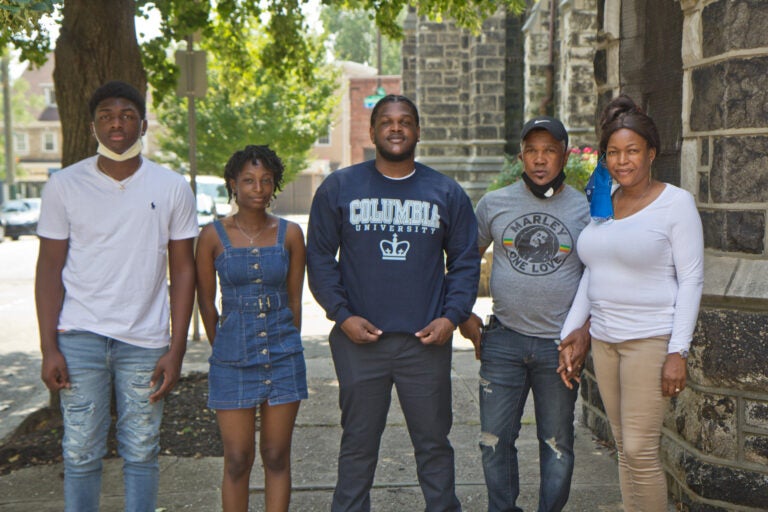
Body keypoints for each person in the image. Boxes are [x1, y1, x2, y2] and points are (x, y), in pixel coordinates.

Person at [306, 94, 480, 512]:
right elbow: (319, 259)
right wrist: (342, 316)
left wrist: (450, 318)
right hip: (359, 343)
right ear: (372, 131)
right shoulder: (340, 187)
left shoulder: (445, 192)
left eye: (405, 121)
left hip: (425, 343)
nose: (396, 128)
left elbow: (465, 262)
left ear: (418, 131)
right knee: (358, 446)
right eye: (387, 121)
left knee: (434, 445)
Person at [35, 80, 198, 512]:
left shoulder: (171, 186)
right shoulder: (64, 186)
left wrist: (176, 348)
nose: (117, 123)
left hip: (144, 341)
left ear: (142, 124)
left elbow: (184, 271)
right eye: (106, 115)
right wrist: (48, 347)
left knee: (142, 450)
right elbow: (49, 269)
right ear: (93, 127)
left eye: (127, 115)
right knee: (80, 451)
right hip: (79, 336)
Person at [559, 95, 704, 512]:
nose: (623, 161)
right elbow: (594, 271)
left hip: (650, 341)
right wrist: (570, 331)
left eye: (632, 151)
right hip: (605, 341)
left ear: (651, 153)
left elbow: (691, 279)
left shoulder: (675, 204)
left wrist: (678, 350)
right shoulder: (605, 203)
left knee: (640, 449)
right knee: (625, 447)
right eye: (613, 153)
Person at [459, 116, 591, 512]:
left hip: (560, 347)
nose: (539, 159)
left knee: (558, 445)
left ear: (564, 155)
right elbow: (465, 258)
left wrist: (584, 329)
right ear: (520, 157)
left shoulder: (586, 209)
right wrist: (463, 313)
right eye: (531, 150)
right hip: (503, 340)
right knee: (494, 441)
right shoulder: (494, 204)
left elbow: (600, 275)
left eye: (549, 150)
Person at [195, 145, 307, 512]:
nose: (257, 188)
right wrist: (224, 347)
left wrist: (289, 343)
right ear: (233, 184)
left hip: (283, 355)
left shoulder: (290, 234)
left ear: (274, 185)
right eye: (248, 181)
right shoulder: (212, 236)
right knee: (238, 459)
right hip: (232, 359)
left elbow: (294, 301)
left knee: (276, 456)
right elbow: (207, 304)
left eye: (265, 181)